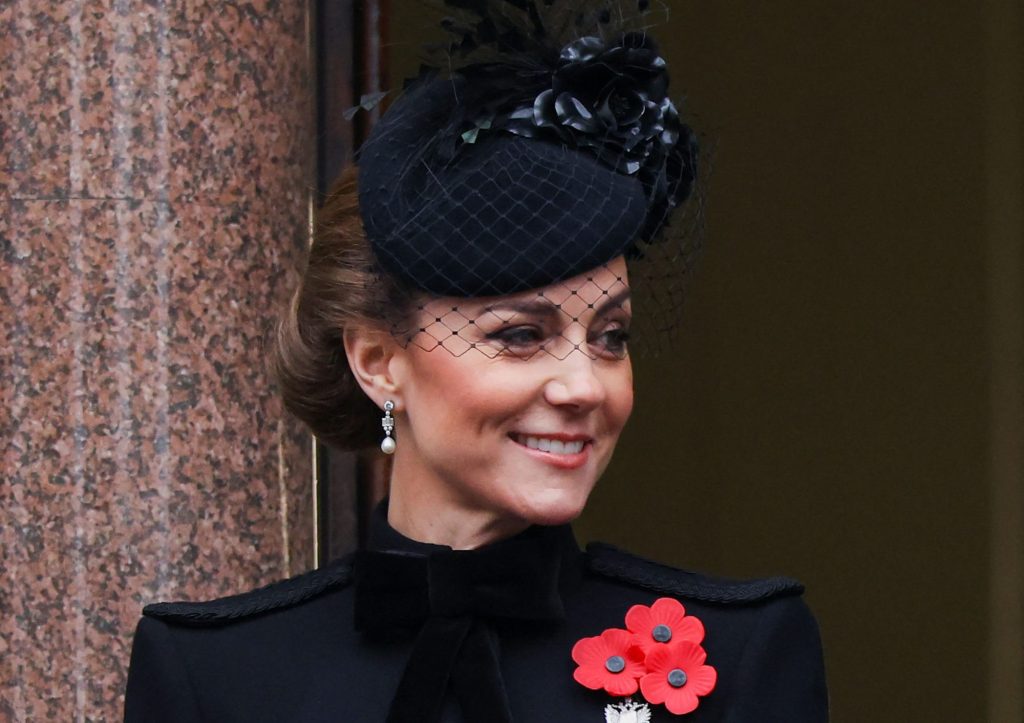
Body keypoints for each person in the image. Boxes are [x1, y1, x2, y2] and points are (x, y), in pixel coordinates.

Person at [124, 2, 828, 720]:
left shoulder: (740, 654)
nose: (585, 384)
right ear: (377, 360)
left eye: (611, 335)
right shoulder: (215, 674)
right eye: (520, 334)